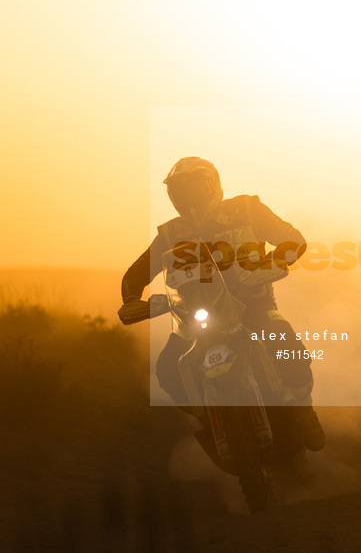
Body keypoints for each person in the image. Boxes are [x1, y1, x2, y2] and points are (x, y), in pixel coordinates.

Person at [121, 156, 325, 451]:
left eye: (193, 189)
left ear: (213, 186)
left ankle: (304, 408)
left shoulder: (247, 209)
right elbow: (135, 274)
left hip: (253, 305)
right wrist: (131, 299)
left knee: (287, 344)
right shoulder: (170, 233)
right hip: (196, 318)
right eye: (179, 192)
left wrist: (273, 261)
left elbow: (293, 239)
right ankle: (208, 416)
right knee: (168, 368)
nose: (186, 198)